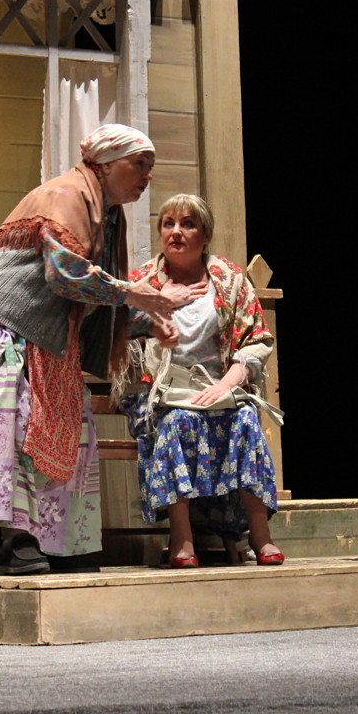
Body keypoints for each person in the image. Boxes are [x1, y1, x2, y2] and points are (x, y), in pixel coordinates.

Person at [0, 125, 194, 575]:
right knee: (17, 424)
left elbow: (93, 305)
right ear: (104, 164)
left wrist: (149, 322)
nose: (147, 175)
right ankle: (17, 541)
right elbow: (65, 274)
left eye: (151, 166)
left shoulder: (107, 214)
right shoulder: (66, 196)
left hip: (43, 332)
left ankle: (62, 542)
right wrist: (135, 293)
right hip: (0, 320)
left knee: (71, 424)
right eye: (139, 164)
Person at [127, 194, 283, 567]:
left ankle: (260, 536)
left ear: (205, 234)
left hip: (219, 387)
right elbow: (117, 331)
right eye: (168, 224)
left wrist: (226, 385)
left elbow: (256, 340)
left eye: (188, 224)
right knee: (177, 423)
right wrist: (160, 300)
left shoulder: (229, 279)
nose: (176, 232)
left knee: (245, 420)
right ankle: (182, 539)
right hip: (161, 391)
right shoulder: (144, 281)